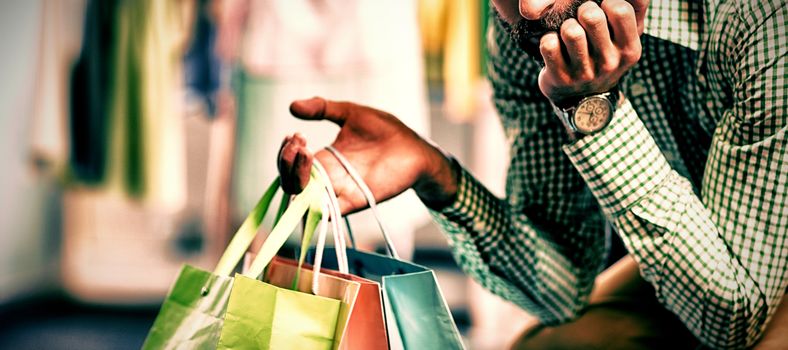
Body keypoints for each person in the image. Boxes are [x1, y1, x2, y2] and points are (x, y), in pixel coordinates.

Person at [278, 0, 787, 348]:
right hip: (715, 250)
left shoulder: (759, 21)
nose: (526, 7)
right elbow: (562, 291)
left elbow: (732, 318)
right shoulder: (531, 35)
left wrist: (594, 109)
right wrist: (436, 175)